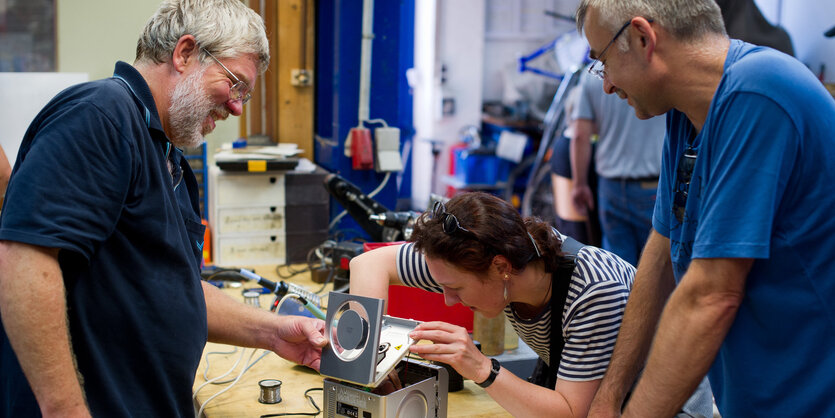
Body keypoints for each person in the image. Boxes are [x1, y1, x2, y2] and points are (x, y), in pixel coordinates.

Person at [0, 1, 327, 416]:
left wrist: (276, 332)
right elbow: (26, 257)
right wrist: (64, 409)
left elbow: (172, 288)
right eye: (235, 85)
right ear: (185, 53)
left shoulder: (165, 152)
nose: (237, 107)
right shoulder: (101, 115)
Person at [575, 1, 835, 417]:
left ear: (643, 38)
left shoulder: (758, 92)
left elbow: (710, 296)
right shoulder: (688, 113)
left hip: (808, 400)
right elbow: (660, 255)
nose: (605, 85)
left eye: (602, 60)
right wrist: (609, 397)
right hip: (747, 397)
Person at [349, 192, 712, 417]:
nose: (448, 299)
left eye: (456, 288)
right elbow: (368, 263)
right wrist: (367, 366)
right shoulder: (484, 257)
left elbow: (573, 412)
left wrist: (482, 369)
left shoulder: (593, 293)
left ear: (501, 267)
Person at [570, 66, 666, 266]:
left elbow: (580, 136)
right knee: (655, 267)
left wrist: (579, 184)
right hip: (651, 188)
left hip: (609, 186)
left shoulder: (592, 77)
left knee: (616, 266)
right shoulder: (655, 72)